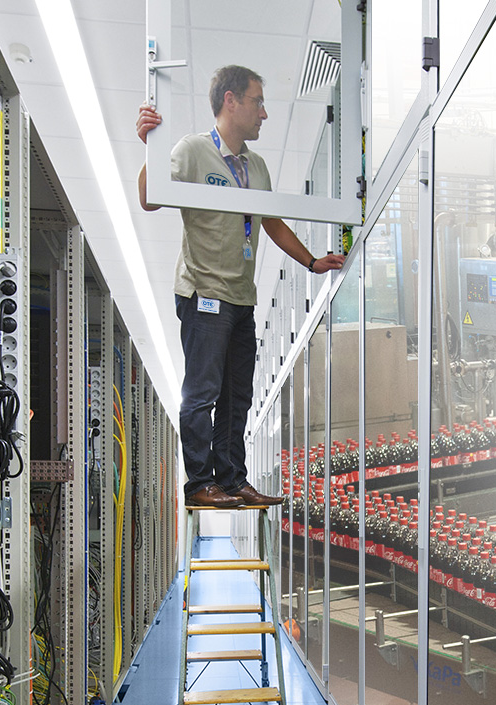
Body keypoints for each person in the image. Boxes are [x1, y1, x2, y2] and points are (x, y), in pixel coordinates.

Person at [136, 66, 345, 509]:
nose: (264, 113)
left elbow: (270, 221)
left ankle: (231, 480)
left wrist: (311, 262)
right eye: (257, 102)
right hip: (203, 293)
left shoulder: (256, 166)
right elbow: (150, 198)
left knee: (237, 397)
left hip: (241, 297)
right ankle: (199, 484)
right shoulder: (193, 150)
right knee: (202, 393)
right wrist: (148, 148)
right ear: (230, 101)